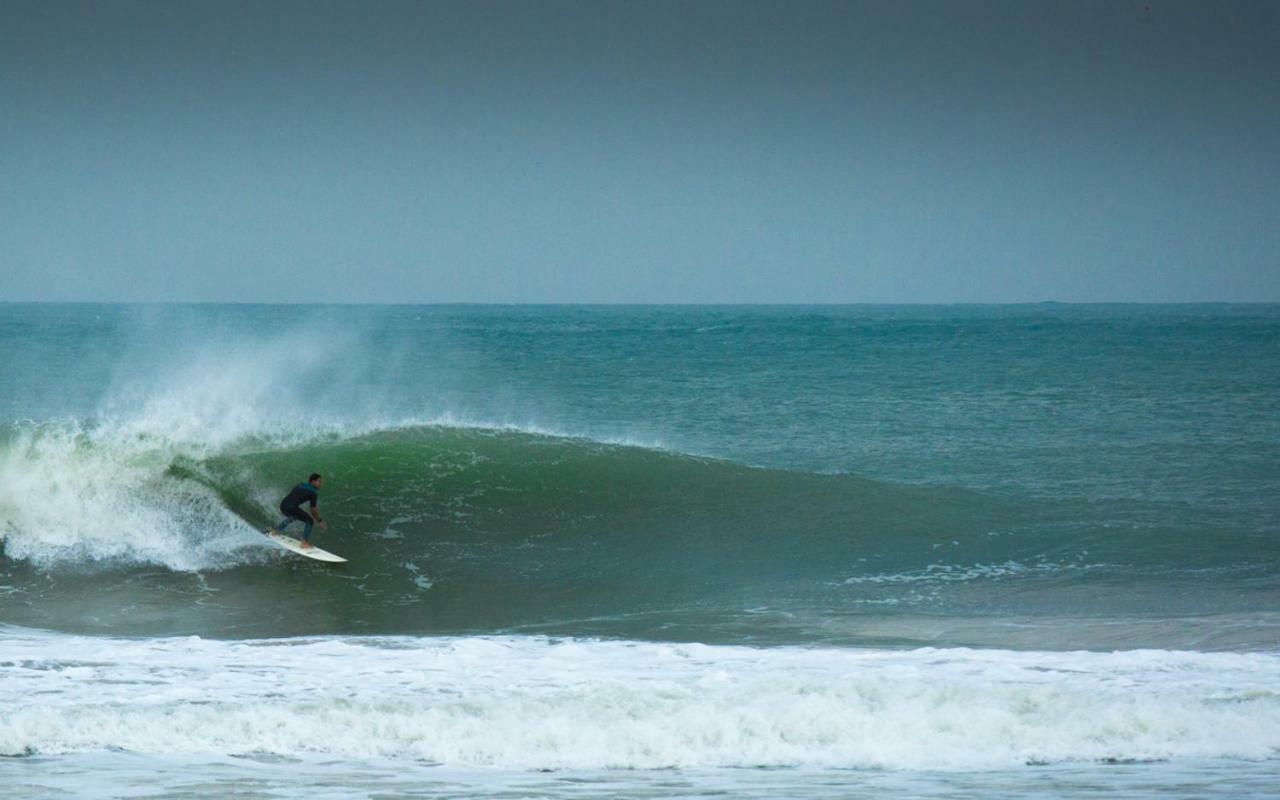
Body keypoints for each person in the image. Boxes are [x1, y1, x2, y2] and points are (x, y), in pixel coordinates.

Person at [272, 473, 328, 549]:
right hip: (291, 507)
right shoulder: (313, 493)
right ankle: (304, 542)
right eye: (319, 482)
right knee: (310, 521)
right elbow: (313, 509)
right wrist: (319, 520)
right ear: (313, 481)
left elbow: (294, 495)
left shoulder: (301, 484)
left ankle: (276, 531)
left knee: (293, 517)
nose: (320, 484)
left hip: (283, 505)